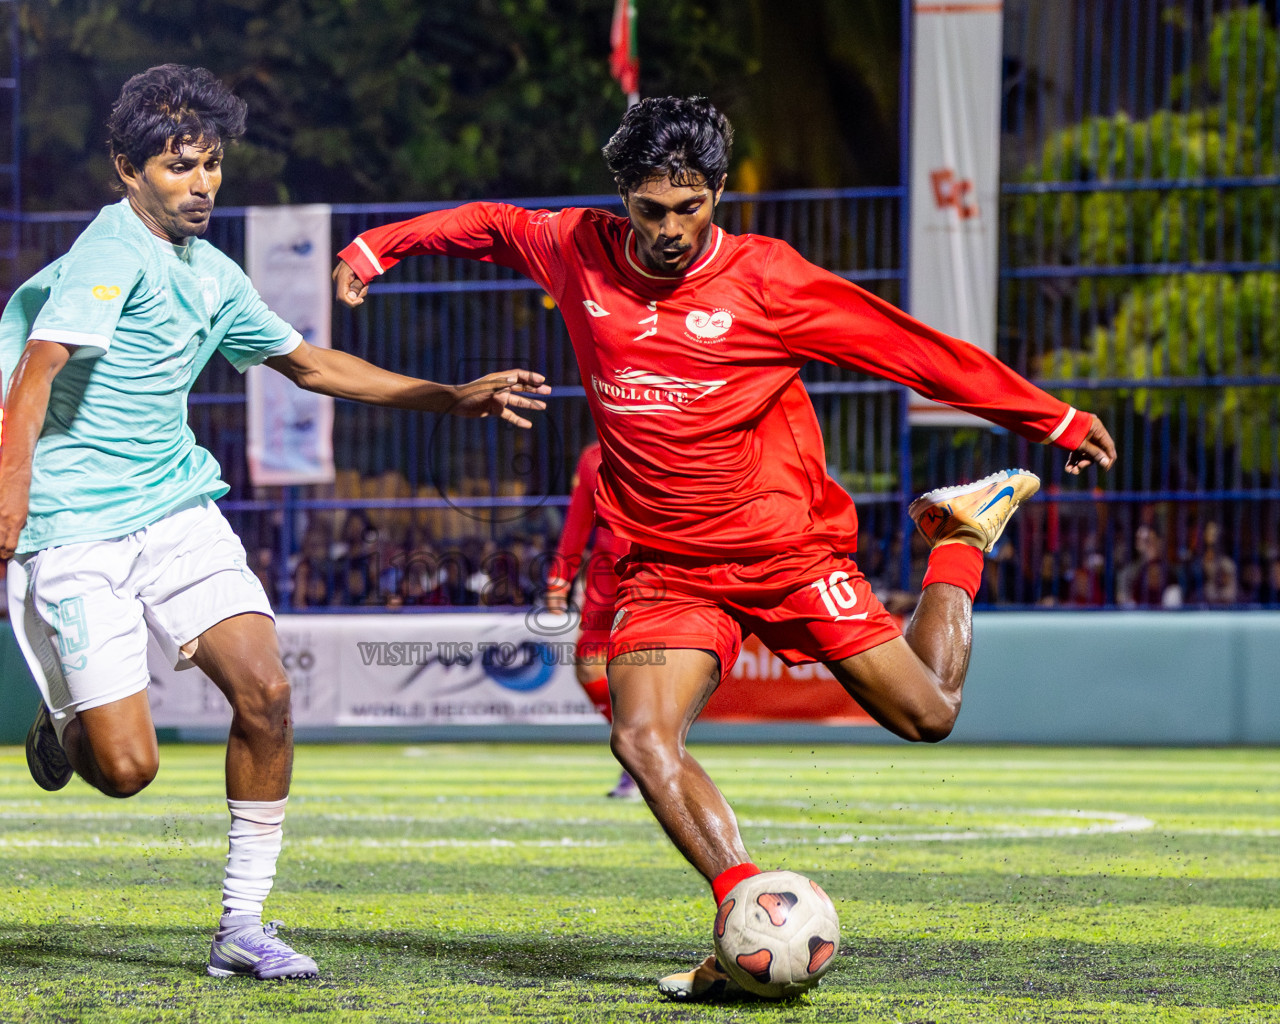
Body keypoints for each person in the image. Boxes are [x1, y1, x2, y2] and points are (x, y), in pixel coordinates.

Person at [332, 96, 1118, 1000]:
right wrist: (379, 244)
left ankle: (961, 531)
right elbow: (487, 222)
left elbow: (911, 351)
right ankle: (745, 908)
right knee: (640, 737)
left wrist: (1047, 416)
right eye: (651, 209)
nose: (670, 229)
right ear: (622, 195)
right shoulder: (575, 248)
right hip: (669, 569)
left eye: (692, 205)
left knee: (928, 714)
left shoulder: (767, 281)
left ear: (716, 193)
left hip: (786, 550)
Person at [0, 64, 548, 983]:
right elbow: (39, 365)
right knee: (125, 771)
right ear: (128, 170)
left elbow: (308, 365)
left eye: (211, 164)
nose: (201, 183)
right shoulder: (109, 253)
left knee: (269, 696)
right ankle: (62, 725)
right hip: (76, 525)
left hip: (174, 509)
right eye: (178, 167)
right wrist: (9, 488)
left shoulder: (214, 275)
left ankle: (243, 925)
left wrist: (451, 399)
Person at [543, 441, 636, 797]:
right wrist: (560, 576)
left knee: (644, 668)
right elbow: (579, 519)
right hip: (605, 572)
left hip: (654, 569)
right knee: (588, 665)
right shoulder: (593, 456)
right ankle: (639, 752)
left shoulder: (668, 438)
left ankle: (648, 757)